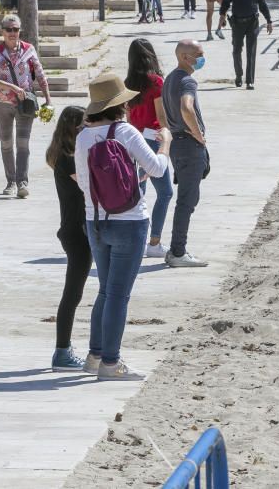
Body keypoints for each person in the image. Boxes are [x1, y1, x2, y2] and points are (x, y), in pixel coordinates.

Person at [74, 73, 171, 381]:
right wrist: (165, 146)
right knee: (118, 295)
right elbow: (155, 168)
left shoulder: (82, 137)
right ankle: (111, 363)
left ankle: (95, 355)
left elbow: (86, 183)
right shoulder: (125, 131)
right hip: (130, 221)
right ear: (120, 105)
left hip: (95, 220)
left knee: (105, 290)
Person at [45, 106, 92, 370]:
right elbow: (87, 186)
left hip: (73, 229)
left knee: (73, 293)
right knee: (72, 294)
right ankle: (62, 351)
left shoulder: (63, 155)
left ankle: (63, 349)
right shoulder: (68, 159)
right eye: (84, 125)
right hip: (76, 232)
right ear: (75, 128)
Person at [0, 14, 52, 198]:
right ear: (2, 31)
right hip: (2, 105)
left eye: (15, 29)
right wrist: (12, 87)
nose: (12, 33)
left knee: (23, 144)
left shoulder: (29, 50)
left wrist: (48, 99)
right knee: (6, 144)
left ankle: (23, 182)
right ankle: (11, 182)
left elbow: (40, 75)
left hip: (25, 105)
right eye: (9, 29)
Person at [162, 40, 209, 268]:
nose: (202, 58)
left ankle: (177, 249)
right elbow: (186, 108)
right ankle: (178, 252)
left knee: (187, 198)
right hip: (188, 144)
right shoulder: (187, 81)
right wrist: (198, 134)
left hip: (177, 144)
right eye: (198, 55)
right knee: (187, 200)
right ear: (184, 57)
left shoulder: (170, 78)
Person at [124, 39, 173, 259]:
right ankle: (154, 241)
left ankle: (137, 240)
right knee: (165, 192)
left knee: (138, 193)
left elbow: (127, 116)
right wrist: (168, 138)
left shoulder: (128, 83)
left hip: (132, 139)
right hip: (153, 139)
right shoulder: (156, 82)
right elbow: (161, 117)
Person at [219, 0, 273, 90]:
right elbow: (226, 1)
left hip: (252, 22)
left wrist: (269, 21)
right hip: (237, 23)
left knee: (251, 51)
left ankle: (249, 81)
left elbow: (262, 4)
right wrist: (222, 16)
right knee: (237, 50)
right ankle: (239, 75)